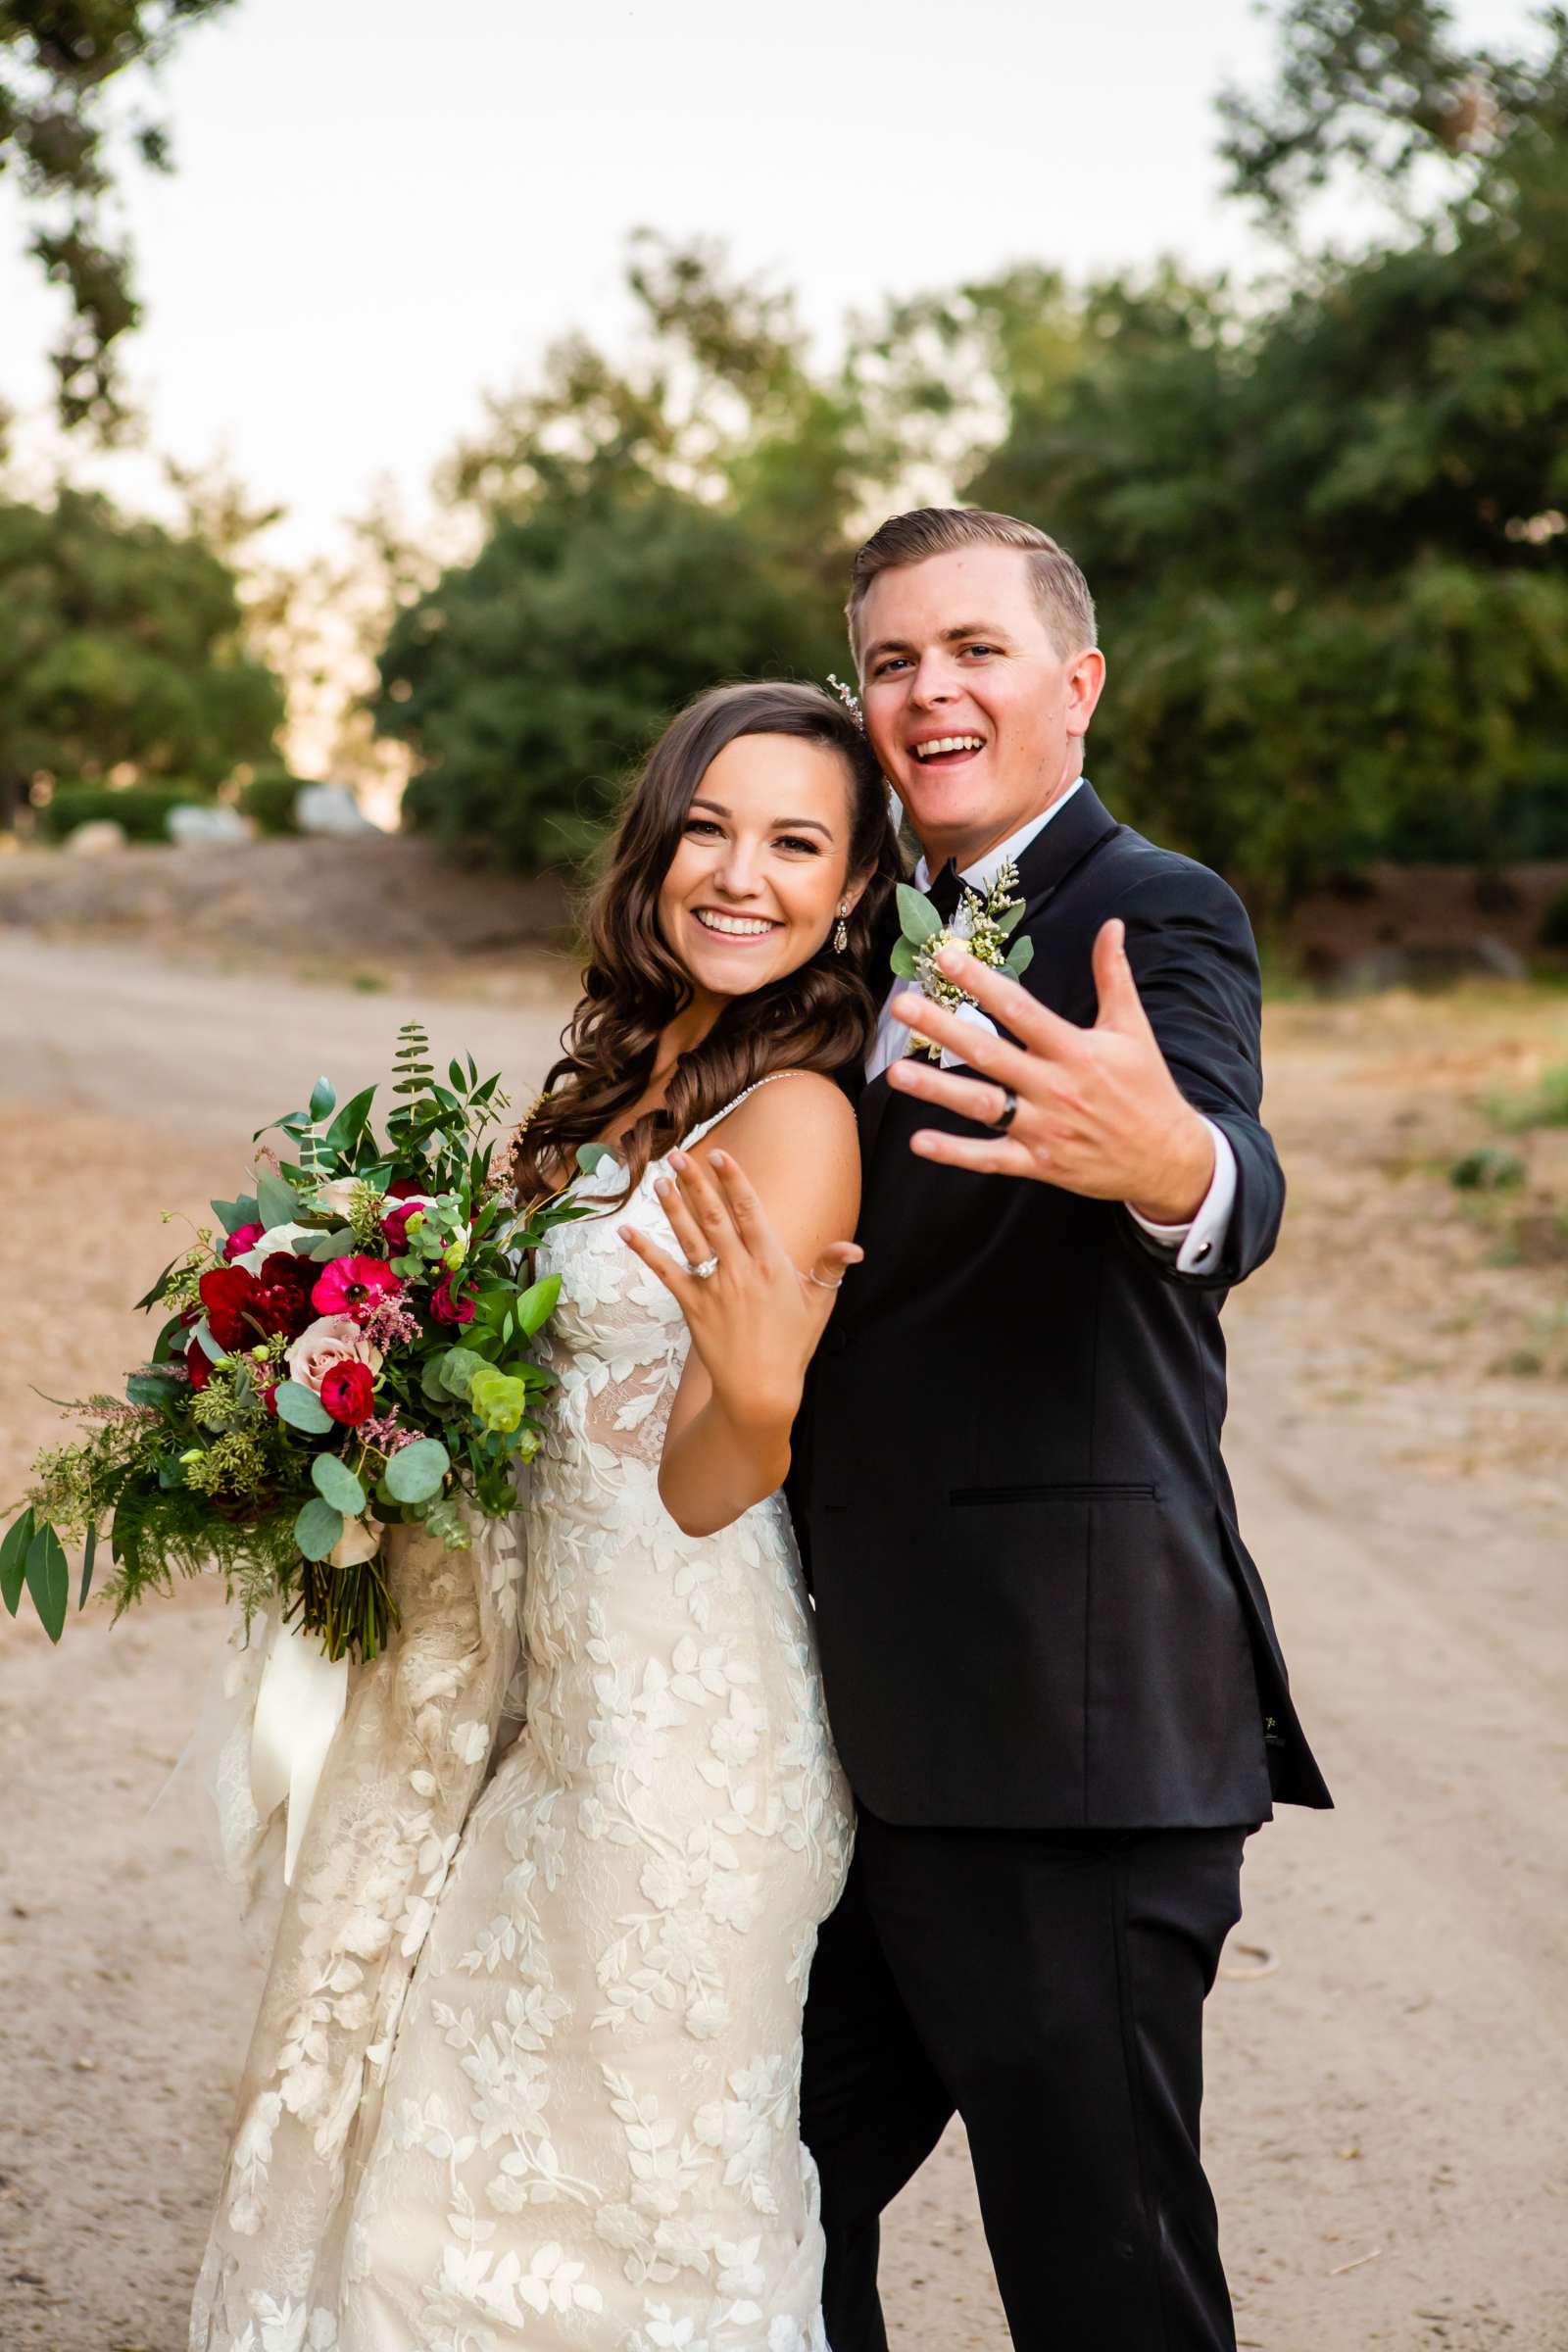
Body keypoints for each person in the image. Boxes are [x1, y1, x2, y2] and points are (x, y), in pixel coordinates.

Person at [190, 681, 901, 2352]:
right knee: (464, 2162)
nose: (741, 873)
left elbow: (711, 1487)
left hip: (686, 1748)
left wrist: (765, 1390)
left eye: (797, 842)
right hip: (545, 1715)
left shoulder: (797, 1116)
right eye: (708, 827)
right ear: (655, 845)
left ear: (857, 888)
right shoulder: (617, 1080)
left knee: (625, 2209)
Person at [791, 507, 1333, 2352]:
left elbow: (1229, 1172)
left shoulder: (1154, 911)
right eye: (889, 661)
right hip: (846, 1739)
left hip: (1063, 1743)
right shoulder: (831, 936)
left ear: (1076, 684)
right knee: (751, 2203)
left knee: (1103, 2285)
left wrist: (1167, 1158)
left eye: (975, 649)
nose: (929, 688)